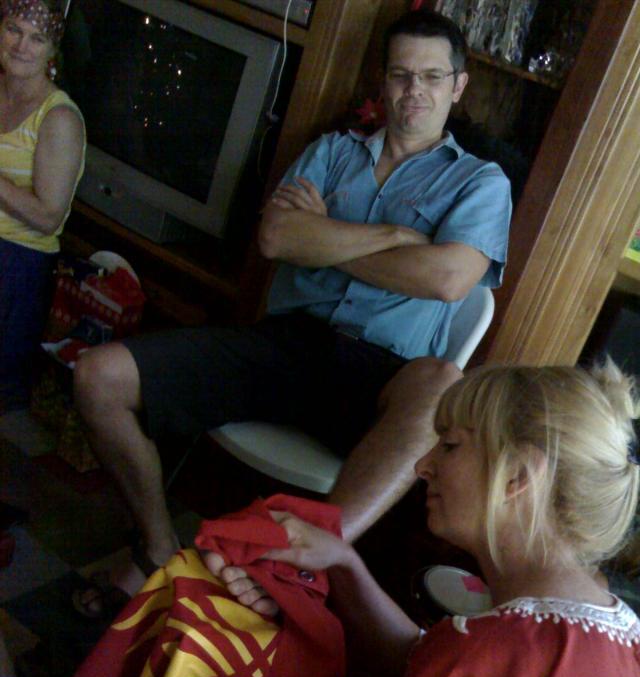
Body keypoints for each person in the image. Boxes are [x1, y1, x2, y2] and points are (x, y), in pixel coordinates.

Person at [72, 9, 512, 614]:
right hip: (284, 345)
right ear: (383, 79)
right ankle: (155, 547)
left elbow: (446, 279)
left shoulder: (479, 183)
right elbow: (277, 238)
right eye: (401, 74)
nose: (415, 90)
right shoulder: (332, 151)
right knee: (97, 376)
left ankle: (301, 566)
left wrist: (324, 238)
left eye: (432, 77)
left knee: (442, 382)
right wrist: (395, 236)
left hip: (382, 376)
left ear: (457, 86)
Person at [206, 359, 640, 677]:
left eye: (450, 445)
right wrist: (344, 564)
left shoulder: (498, 656)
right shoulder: (615, 636)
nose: (422, 465)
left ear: (518, 474)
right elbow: (428, 666)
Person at [0, 0, 85, 411]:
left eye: (37, 38)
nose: (21, 46)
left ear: (53, 50)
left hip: (16, 261)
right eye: (14, 30)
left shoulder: (59, 118)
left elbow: (48, 218)